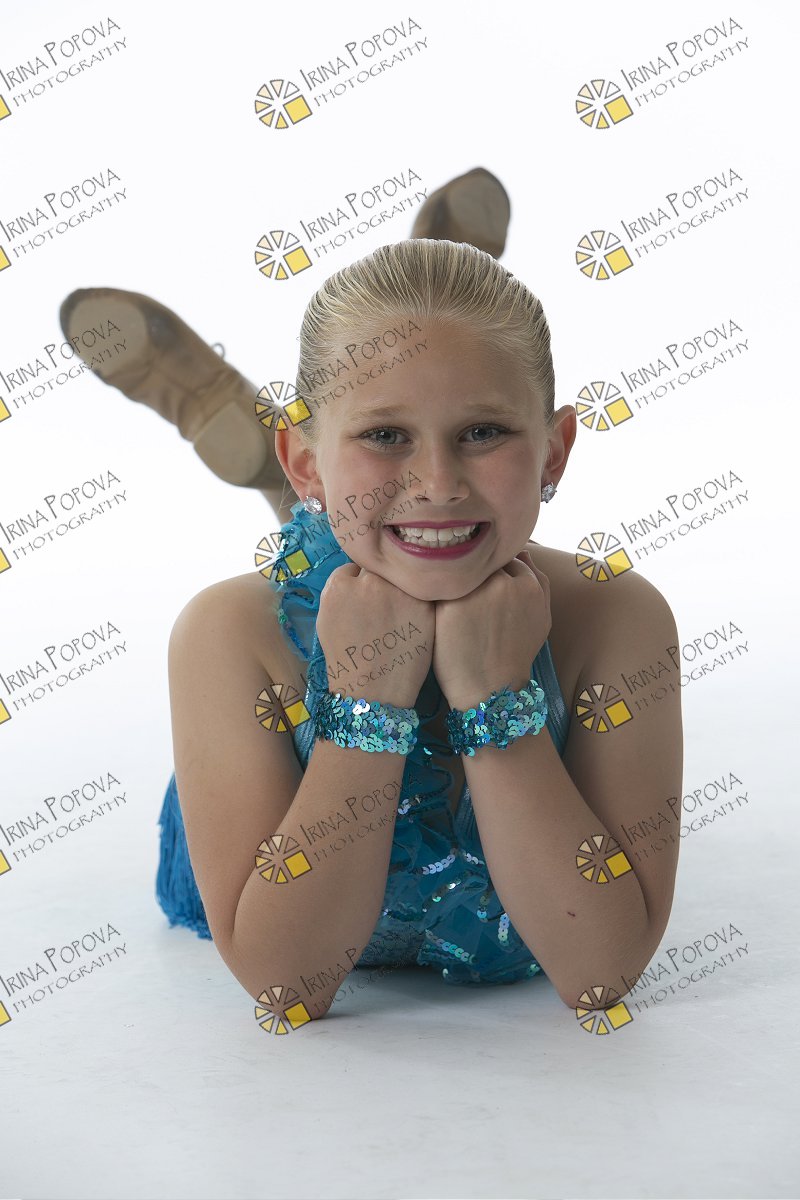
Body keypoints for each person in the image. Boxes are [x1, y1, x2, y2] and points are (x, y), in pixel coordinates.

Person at [62, 172, 683, 1031]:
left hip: (354, 500)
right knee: (363, 538)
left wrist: (498, 700)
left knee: (384, 520)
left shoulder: (619, 617)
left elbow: (599, 973)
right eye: (387, 434)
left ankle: (374, 384)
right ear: (304, 458)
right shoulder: (226, 635)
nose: (439, 480)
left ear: (555, 450)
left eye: (484, 431)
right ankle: (327, 417)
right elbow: (288, 987)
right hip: (297, 685)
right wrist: (362, 704)